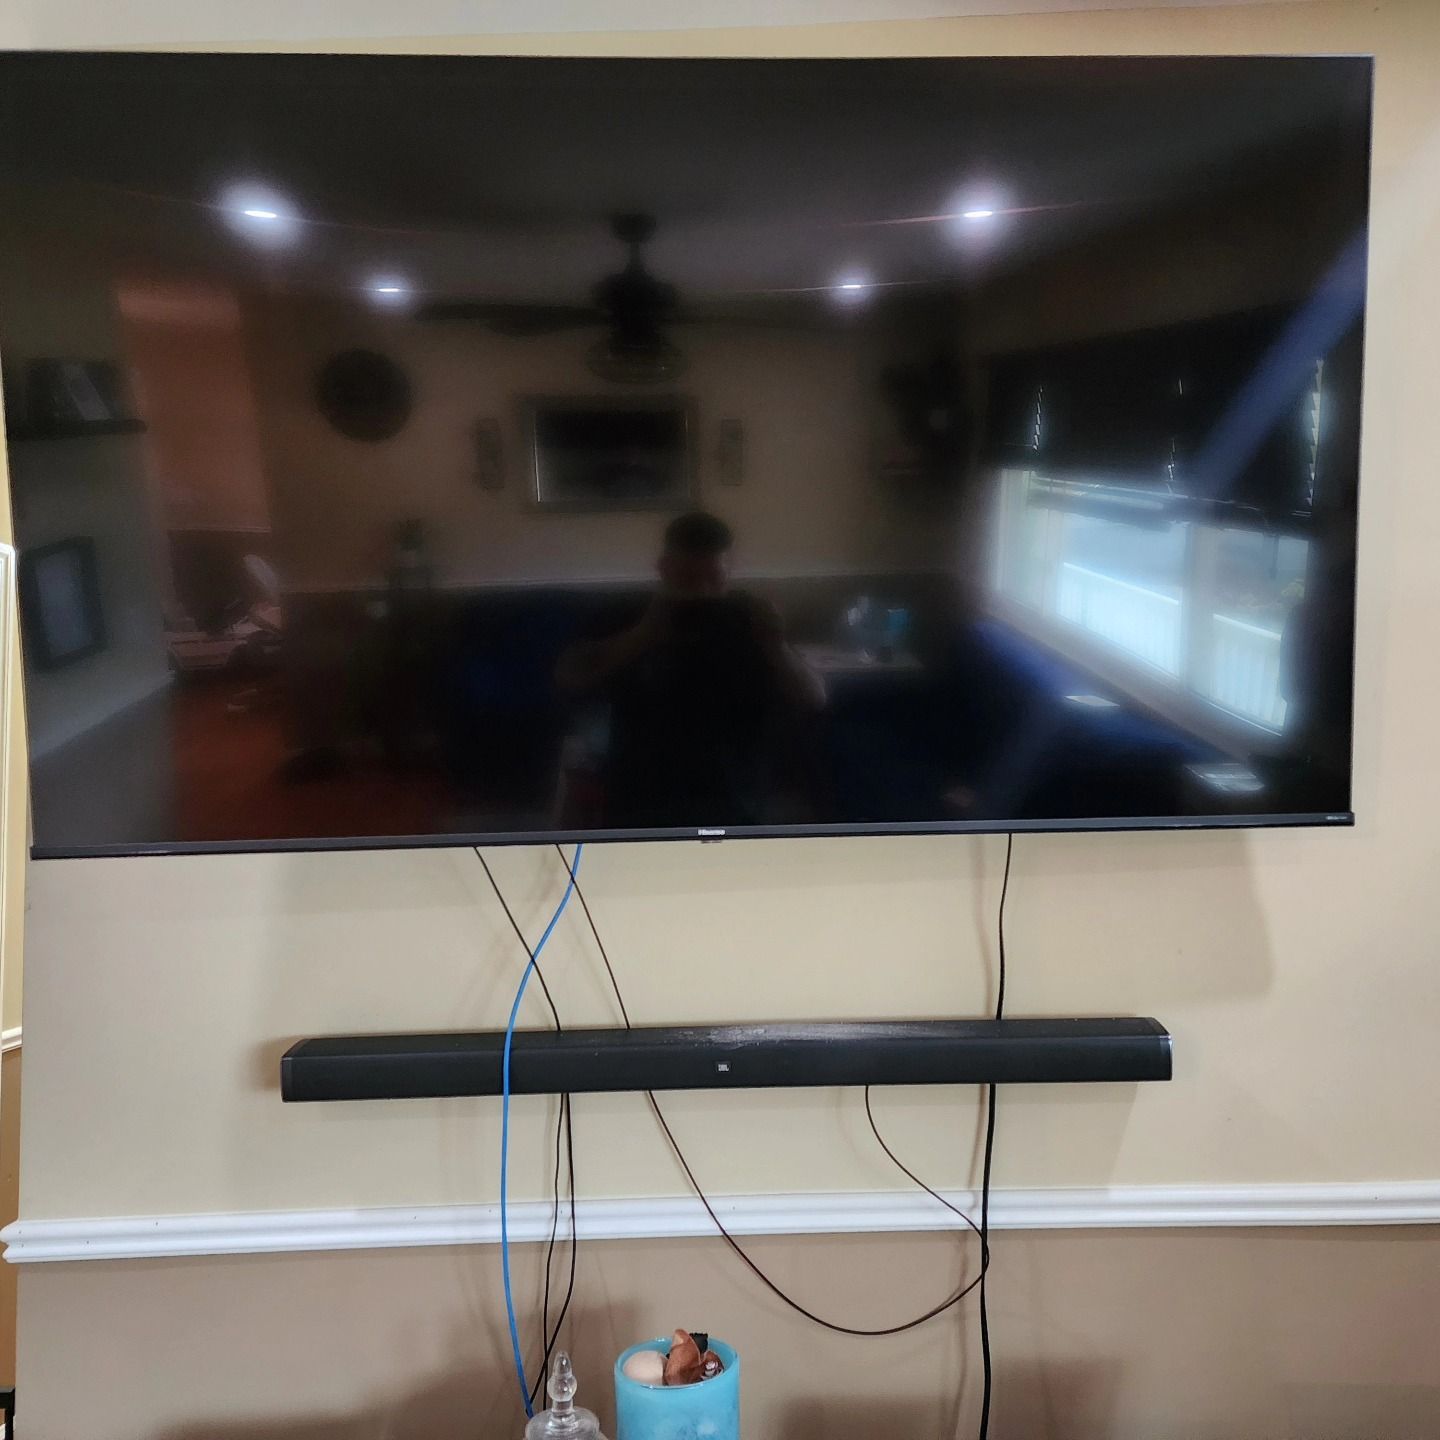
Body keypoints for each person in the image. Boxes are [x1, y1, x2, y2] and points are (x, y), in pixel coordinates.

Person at [555, 511, 823, 827]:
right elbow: (569, 677)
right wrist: (643, 635)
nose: (702, 592)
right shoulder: (627, 614)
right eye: (688, 580)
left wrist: (775, 645)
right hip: (642, 796)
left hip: (735, 797)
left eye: (714, 579)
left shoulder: (748, 618)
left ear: (728, 573)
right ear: (663, 568)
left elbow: (813, 697)